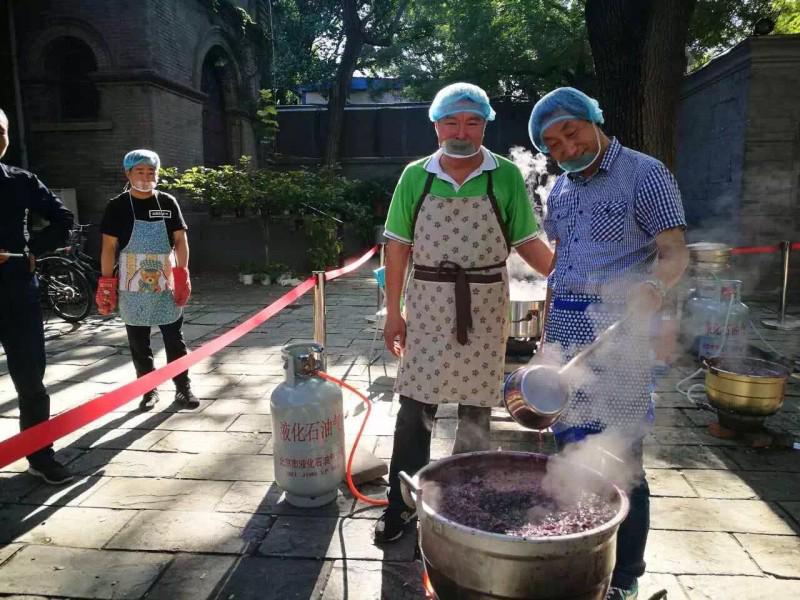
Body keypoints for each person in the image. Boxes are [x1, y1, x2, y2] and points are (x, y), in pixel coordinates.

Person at [529, 87, 689, 600]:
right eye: (552, 144)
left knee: (621, 456)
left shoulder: (646, 173)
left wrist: (655, 288)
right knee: (570, 448)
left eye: (570, 132)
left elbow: (675, 252)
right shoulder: (562, 191)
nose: (565, 148)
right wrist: (545, 339)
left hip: (621, 331)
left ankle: (625, 578)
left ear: (593, 118)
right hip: (567, 331)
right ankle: (578, 561)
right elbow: (559, 267)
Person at [375, 83, 554, 543]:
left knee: (476, 409)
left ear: (484, 125)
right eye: (451, 122)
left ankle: (463, 501)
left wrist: (569, 272)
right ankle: (402, 505)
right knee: (415, 407)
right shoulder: (417, 176)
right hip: (428, 303)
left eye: (472, 122)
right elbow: (397, 248)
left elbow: (527, 242)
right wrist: (394, 314)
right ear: (436, 126)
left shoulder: (505, 175)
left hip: (485, 302)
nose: (461, 131)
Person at [0, 108, 75, 484]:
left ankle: (39, 453)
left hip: (17, 292)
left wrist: (33, 250)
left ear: (7, 136)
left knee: (30, 379)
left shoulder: (20, 181)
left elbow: (63, 220)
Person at [96, 149, 199, 411]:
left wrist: (182, 273)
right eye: (139, 171)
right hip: (132, 284)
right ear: (128, 173)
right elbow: (109, 247)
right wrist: (106, 283)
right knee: (138, 341)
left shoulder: (167, 202)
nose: (146, 175)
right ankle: (148, 389)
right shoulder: (117, 206)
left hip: (166, 281)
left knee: (174, 338)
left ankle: (183, 387)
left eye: (151, 171)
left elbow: (180, 241)